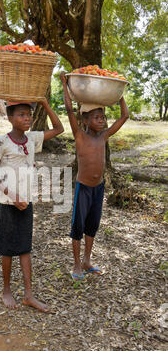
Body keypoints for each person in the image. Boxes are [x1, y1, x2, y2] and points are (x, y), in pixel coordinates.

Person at [0, 99, 64, 312]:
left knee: (25, 247)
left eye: (29, 114)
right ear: (10, 118)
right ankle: (6, 290)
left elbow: (59, 128)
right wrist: (12, 195)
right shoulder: (2, 142)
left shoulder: (32, 139)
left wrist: (45, 104)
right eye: (21, 114)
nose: (27, 118)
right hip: (7, 203)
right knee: (6, 249)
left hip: (26, 202)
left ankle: (29, 295)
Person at [60, 71, 129, 280]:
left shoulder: (104, 136)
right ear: (86, 121)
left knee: (92, 225)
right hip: (83, 188)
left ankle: (87, 260)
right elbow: (69, 110)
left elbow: (124, 116)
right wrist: (64, 84)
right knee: (78, 227)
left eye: (103, 117)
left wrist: (120, 92)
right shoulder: (80, 136)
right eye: (97, 118)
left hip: (99, 188)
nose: (102, 121)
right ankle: (76, 264)